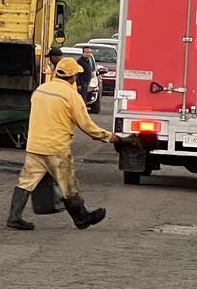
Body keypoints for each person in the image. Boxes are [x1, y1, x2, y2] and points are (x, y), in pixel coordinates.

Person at [7, 56, 120, 231]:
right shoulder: (71, 96)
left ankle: (14, 217)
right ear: (73, 76)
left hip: (35, 145)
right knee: (68, 185)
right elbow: (87, 126)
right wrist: (109, 137)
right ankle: (82, 219)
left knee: (26, 182)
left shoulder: (40, 90)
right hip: (56, 149)